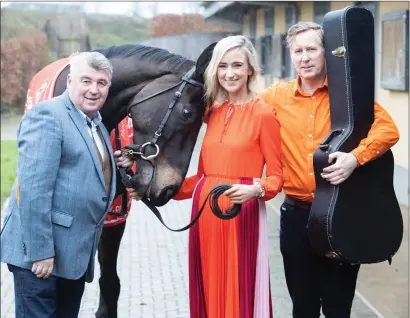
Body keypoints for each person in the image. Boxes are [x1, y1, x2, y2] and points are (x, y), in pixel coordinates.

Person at [260, 21, 400, 317]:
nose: (305, 57)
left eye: (312, 49)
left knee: (338, 308)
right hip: (296, 216)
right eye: (298, 51)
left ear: (327, 53)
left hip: (342, 215)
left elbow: (387, 130)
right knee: (303, 307)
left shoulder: (348, 98)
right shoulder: (274, 97)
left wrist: (355, 158)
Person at [1, 51, 133, 318]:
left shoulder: (94, 122)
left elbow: (81, 165)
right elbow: (33, 191)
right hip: (42, 259)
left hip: (71, 257)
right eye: (86, 81)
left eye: (101, 83)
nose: (94, 90)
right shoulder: (47, 116)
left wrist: (111, 163)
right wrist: (40, 253)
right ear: (70, 81)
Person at [161, 35, 283, 317]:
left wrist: (257, 190)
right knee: (208, 281)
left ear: (250, 69)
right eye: (223, 66)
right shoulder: (213, 113)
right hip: (204, 213)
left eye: (237, 65)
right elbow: (202, 178)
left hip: (241, 212)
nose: (230, 73)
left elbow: (277, 177)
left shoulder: (264, 114)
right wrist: (160, 190)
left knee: (238, 289)